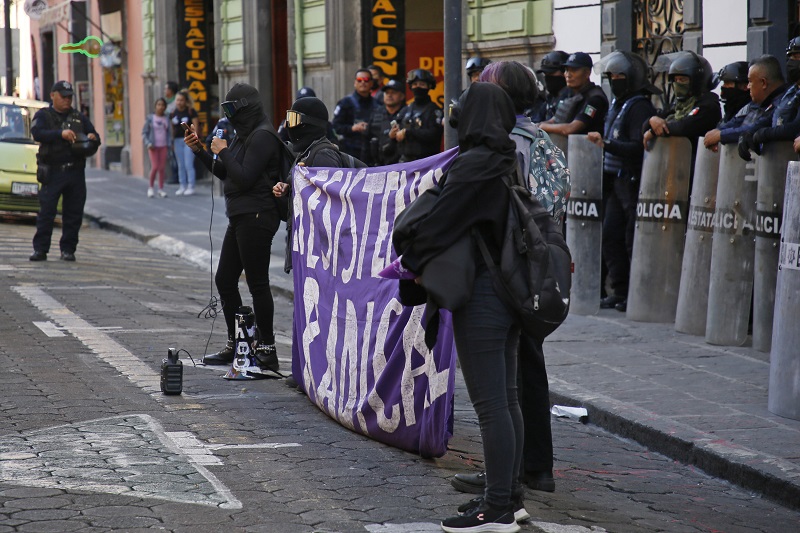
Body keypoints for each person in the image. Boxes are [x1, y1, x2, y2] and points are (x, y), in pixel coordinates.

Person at [398, 82, 526, 532]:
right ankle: (509, 496)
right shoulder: (508, 158)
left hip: (485, 294)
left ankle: (497, 509)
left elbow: (438, 224)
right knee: (507, 399)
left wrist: (407, 264)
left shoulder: (475, 165)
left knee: (491, 403)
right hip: (510, 291)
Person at [448, 61, 560, 505]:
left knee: (504, 389)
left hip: (508, 273)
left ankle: (511, 481)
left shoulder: (506, 143)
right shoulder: (540, 139)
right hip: (532, 272)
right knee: (523, 375)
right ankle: (530, 469)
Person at [183, 83, 286, 371]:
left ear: (245, 108)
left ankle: (267, 348)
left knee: (257, 283)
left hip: (258, 215)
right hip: (241, 216)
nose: (228, 116)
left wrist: (224, 150)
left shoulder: (264, 136)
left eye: (231, 109)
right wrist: (200, 149)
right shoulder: (244, 135)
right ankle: (237, 344)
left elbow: (243, 177)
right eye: (224, 109)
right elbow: (223, 171)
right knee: (225, 280)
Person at [588, 51, 658, 313]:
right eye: (610, 76)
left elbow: (636, 148)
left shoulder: (639, 106)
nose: (614, 80)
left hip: (630, 181)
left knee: (629, 239)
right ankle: (619, 291)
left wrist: (607, 144)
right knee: (611, 237)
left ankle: (632, 293)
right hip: (615, 182)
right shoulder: (618, 104)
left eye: (618, 76)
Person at [29, 80, 101, 262]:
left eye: (70, 97)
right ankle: (40, 250)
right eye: (63, 97)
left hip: (75, 172)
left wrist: (93, 138)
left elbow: (94, 136)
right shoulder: (44, 115)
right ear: (53, 95)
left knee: (73, 213)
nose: (67, 101)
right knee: (47, 212)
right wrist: (59, 135)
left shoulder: (78, 117)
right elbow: (37, 133)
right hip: (53, 171)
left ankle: (68, 250)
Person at [642, 51, 721, 158]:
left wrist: (655, 130)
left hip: (697, 166)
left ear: (697, 81)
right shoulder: (679, 105)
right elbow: (645, 127)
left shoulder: (709, 105)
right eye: (676, 80)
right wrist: (652, 120)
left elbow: (684, 127)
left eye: (683, 80)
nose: (678, 84)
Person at [703, 55, 786, 155]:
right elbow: (736, 121)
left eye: (750, 81)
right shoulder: (753, 104)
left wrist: (722, 135)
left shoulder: (783, 103)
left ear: (763, 83)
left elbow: (757, 128)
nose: (748, 86)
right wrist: (717, 133)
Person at [744, 38, 800, 155]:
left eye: (797, 57)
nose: (791, 62)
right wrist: (751, 131)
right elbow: (774, 115)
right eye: (790, 57)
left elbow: (795, 126)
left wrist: (764, 134)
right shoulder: (792, 90)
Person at [539, 52, 608, 136]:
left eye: (574, 70)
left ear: (587, 73)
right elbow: (555, 120)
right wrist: (535, 125)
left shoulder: (595, 98)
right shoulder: (571, 94)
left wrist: (542, 127)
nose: (568, 75)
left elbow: (571, 129)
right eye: (567, 70)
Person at [391, 68, 444, 162]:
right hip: (405, 162)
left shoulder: (434, 111)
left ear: (429, 86)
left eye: (422, 84)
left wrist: (408, 132)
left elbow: (434, 134)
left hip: (427, 162)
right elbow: (395, 134)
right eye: (415, 84)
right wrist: (392, 135)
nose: (418, 87)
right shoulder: (405, 110)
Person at [332, 68, 381, 162]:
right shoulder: (345, 103)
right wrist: (352, 128)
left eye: (366, 80)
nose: (363, 82)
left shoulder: (378, 105)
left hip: (373, 153)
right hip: (350, 152)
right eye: (359, 80)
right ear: (355, 83)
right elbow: (336, 127)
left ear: (371, 83)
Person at [368, 78, 406, 166]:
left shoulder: (406, 114)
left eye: (393, 93)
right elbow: (367, 139)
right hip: (379, 164)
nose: (389, 95)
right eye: (387, 93)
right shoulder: (376, 114)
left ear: (402, 96)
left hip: (402, 165)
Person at [169, 90, 200, 195]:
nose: (179, 102)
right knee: (180, 164)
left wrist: (196, 139)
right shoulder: (173, 113)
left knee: (188, 164)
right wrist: (172, 142)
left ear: (185, 101)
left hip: (189, 140)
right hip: (177, 141)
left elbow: (195, 126)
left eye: (181, 100)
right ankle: (182, 185)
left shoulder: (191, 111)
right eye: (177, 100)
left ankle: (191, 186)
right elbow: (172, 129)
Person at [142, 97, 171, 198]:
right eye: (159, 105)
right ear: (155, 106)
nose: (161, 107)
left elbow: (169, 132)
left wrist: (169, 143)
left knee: (162, 168)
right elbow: (144, 132)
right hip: (153, 146)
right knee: (155, 167)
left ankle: (161, 189)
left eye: (163, 105)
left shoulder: (166, 118)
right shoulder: (150, 118)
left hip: (163, 145)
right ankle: (150, 188)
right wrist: (148, 143)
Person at [536, 50, 571, 121]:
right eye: (545, 74)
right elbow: (537, 120)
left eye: (551, 73)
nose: (548, 77)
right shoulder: (550, 98)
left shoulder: (571, 97)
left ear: (564, 72)